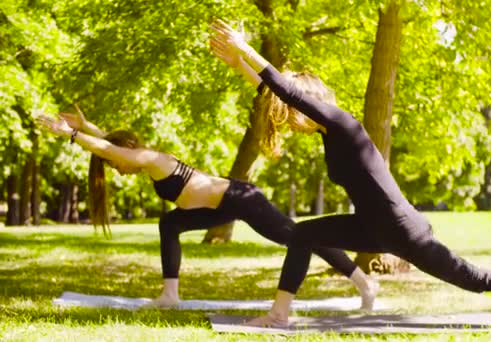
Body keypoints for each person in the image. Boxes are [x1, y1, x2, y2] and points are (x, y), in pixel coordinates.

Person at [210, 19, 491, 328]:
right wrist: (237, 65)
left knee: (472, 278)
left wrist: (245, 48)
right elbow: (277, 92)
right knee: (303, 234)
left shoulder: (342, 124)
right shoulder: (327, 133)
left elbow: (285, 90)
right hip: (371, 226)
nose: (289, 120)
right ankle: (279, 314)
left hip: (403, 230)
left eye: (293, 111)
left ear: (310, 103)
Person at [36, 108, 377, 309]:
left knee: (301, 237)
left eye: (116, 164)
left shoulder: (152, 159)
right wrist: (86, 128)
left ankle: (363, 282)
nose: (116, 169)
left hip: (240, 199)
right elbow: (114, 148)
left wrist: (72, 135)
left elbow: (114, 152)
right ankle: (170, 294)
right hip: (219, 206)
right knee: (170, 224)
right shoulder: (143, 156)